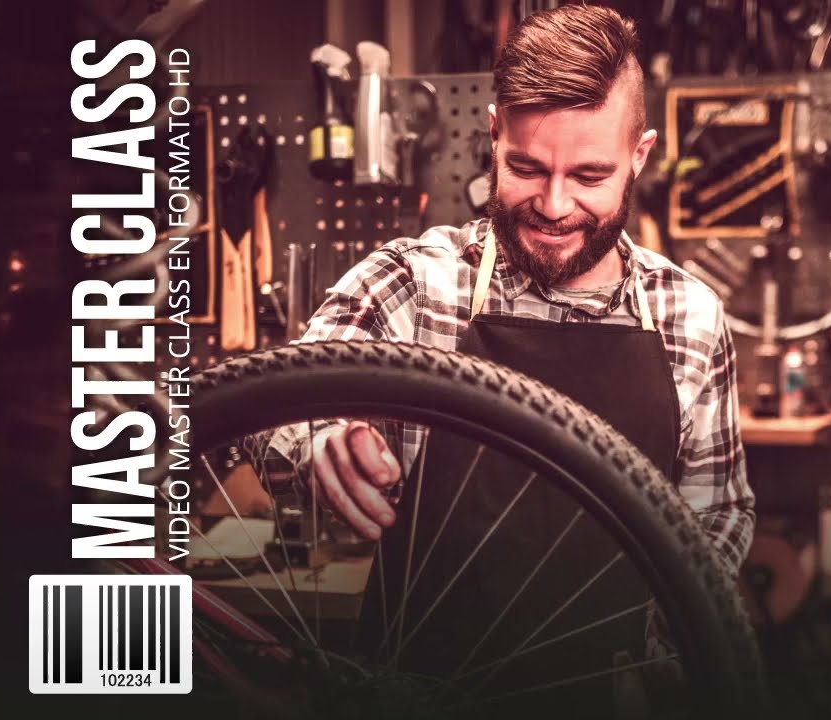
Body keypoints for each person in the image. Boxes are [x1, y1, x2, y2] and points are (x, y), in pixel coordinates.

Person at [273, 4, 753, 576]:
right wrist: (320, 442)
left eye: (588, 176)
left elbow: (718, 512)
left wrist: (679, 631)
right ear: (494, 135)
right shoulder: (418, 284)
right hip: (422, 663)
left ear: (638, 157)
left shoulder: (690, 316)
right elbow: (267, 407)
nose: (553, 206)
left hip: (621, 663)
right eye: (526, 168)